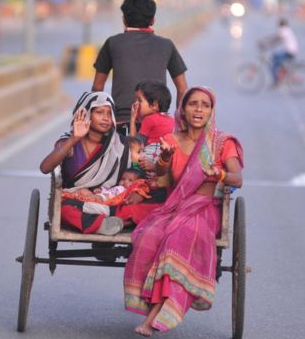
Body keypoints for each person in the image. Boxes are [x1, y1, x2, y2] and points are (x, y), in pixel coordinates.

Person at [123, 87, 244, 337]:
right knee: (149, 236)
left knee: (176, 240)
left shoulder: (222, 142)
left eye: (205, 105)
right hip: (175, 207)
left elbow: (237, 178)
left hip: (205, 209)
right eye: (193, 104)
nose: (199, 109)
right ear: (183, 109)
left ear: (211, 111)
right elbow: (164, 180)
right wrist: (164, 160)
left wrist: (219, 174)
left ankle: (155, 317)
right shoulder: (171, 140)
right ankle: (151, 307)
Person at [92, 0, 188, 135]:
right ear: (153, 20)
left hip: (121, 124)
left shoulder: (112, 43)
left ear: (124, 20)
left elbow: (98, 87)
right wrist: (180, 124)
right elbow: (182, 89)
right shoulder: (166, 45)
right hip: (157, 126)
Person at [40, 91, 132, 235]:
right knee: (63, 209)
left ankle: (105, 221)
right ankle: (102, 225)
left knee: (140, 206)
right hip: (78, 203)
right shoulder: (68, 142)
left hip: (108, 201)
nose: (106, 118)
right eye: (100, 112)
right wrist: (74, 139)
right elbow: (45, 168)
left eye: (109, 113)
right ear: (86, 114)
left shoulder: (120, 144)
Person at [129, 80, 175, 169]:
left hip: (147, 165)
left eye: (139, 100)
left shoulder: (149, 120)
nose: (135, 104)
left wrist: (132, 119)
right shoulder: (171, 119)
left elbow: (135, 144)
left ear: (154, 105)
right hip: (164, 167)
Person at [259, 18, 298, 88]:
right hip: (289, 51)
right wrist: (267, 42)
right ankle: (282, 71)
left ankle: (276, 81)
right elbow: (275, 38)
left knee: (273, 65)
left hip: (289, 52)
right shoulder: (287, 30)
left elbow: (276, 39)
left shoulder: (284, 30)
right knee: (275, 57)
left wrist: (266, 44)